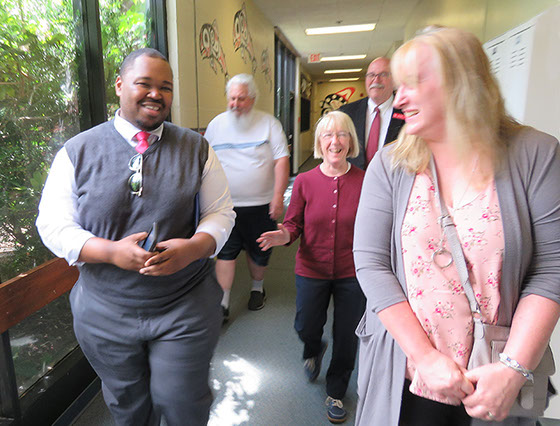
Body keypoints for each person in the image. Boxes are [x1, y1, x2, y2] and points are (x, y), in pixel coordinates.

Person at [353, 27, 560, 426]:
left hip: (497, 376)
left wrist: (514, 369)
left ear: (461, 81)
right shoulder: (390, 165)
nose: (400, 99)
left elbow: (552, 268)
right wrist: (425, 357)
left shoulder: (536, 155)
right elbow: (371, 263)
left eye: (414, 83)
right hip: (409, 371)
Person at [36, 48, 235, 426]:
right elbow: (53, 224)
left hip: (183, 303)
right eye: (144, 83)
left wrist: (193, 248)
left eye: (166, 87)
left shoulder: (197, 149)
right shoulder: (77, 152)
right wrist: (109, 252)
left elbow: (221, 212)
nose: (156, 94)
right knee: (129, 407)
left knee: (181, 401)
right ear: (120, 86)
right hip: (105, 308)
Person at [258, 111, 366, 424]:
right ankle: (313, 348)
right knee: (306, 325)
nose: (336, 141)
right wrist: (283, 234)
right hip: (311, 269)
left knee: (347, 336)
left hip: (352, 272)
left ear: (350, 141)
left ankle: (336, 391)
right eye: (328, 135)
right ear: (319, 142)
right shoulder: (305, 181)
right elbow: (293, 223)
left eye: (342, 134)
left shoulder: (364, 180)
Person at [205, 73, 290, 321]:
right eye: (232, 98)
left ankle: (257, 288)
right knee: (226, 253)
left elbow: (281, 161)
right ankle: (222, 303)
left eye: (241, 99)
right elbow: (205, 163)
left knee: (258, 252)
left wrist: (277, 197)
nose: (235, 104)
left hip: (261, 205)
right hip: (225, 206)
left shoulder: (269, 124)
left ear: (252, 99)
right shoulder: (216, 125)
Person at [337, 57, 405, 170]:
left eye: (383, 74)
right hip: (354, 183)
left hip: (393, 183)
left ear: (394, 80)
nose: (376, 80)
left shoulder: (407, 114)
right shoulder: (346, 112)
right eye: (371, 75)